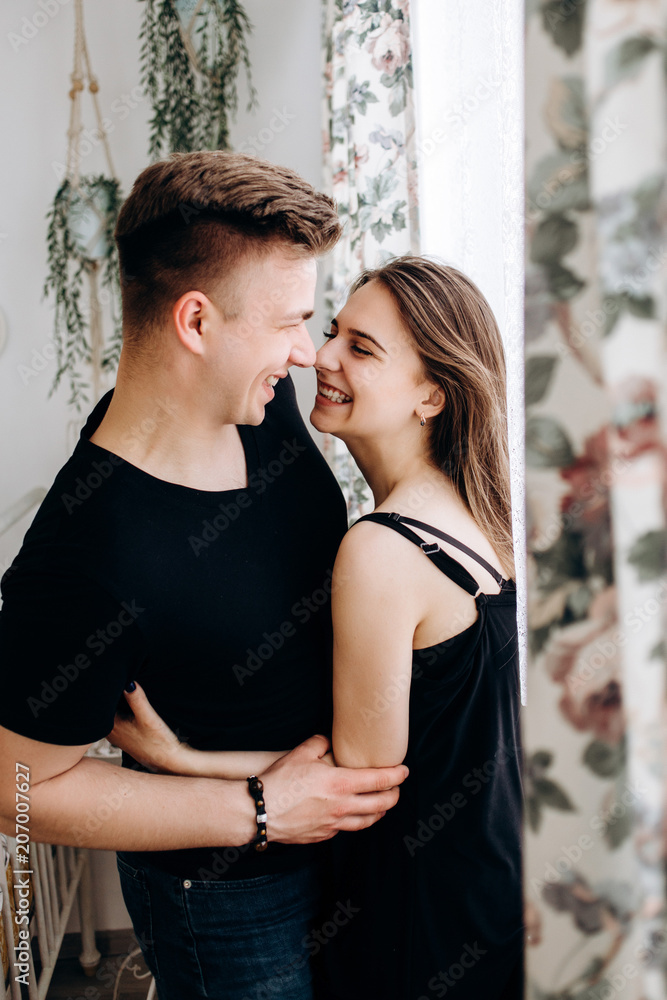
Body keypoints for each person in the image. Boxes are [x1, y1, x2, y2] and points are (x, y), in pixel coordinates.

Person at [0, 151, 409, 1000]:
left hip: (345, 848)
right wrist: (260, 808)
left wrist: (192, 759)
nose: (306, 353)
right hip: (231, 902)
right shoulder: (85, 553)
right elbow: (14, 792)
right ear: (196, 321)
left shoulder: (257, 405)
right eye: (290, 321)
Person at [110, 255, 524, 998]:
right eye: (332, 331)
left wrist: (177, 758)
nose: (319, 356)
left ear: (432, 395)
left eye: (361, 349)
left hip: (424, 907)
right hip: (492, 881)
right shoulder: (476, 517)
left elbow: (359, 783)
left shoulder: (382, 547)